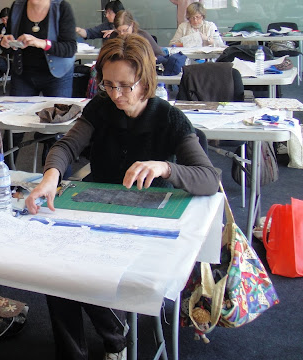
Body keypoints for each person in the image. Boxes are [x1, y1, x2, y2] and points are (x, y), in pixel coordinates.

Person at [25, 34, 220, 360]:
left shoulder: (169, 119)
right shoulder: (101, 108)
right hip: (100, 209)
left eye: (126, 86)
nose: (116, 94)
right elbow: (67, 146)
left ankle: (116, 336)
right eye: (108, 84)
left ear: (146, 80)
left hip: (148, 221)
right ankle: (85, 348)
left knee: (75, 271)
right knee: (54, 270)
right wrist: (50, 176)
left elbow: (209, 178)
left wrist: (165, 168)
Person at [0, 0, 77, 97]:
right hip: (23, 74)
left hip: (57, 75)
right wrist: (5, 43)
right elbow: (10, 46)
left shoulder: (62, 7)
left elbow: (70, 48)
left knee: (57, 110)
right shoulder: (17, 7)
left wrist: (42, 43)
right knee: (17, 110)